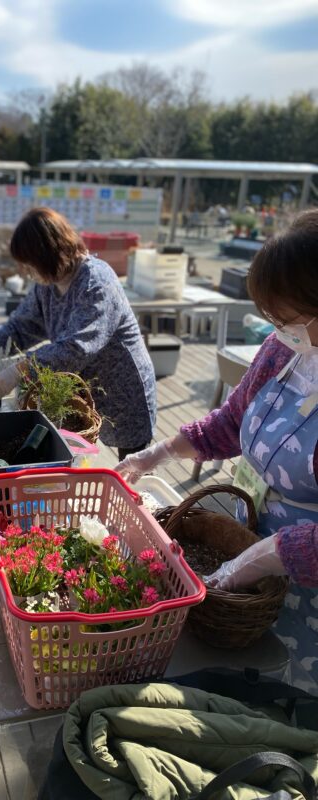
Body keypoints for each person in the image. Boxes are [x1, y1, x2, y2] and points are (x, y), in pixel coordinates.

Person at [117, 209, 318, 682]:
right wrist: (160, 453)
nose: (280, 329)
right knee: (244, 673)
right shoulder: (285, 350)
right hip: (252, 536)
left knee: (297, 692)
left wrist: (269, 555)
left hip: (309, 590)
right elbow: (231, 421)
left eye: (290, 318)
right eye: (275, 318)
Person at [0, 208, 156, 457]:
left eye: (32, 264)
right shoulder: (48, 284)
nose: (29, 272)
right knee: (84, 455)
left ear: (50, 253)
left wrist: (20, 370)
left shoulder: (96, 281)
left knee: (130, 468)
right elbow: (23, 324)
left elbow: (77, 347)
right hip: (81, 391)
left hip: (122, 390)